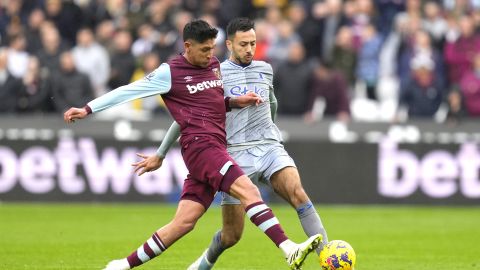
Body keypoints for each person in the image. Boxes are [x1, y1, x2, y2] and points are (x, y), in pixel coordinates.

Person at [63, 20, 321, 270]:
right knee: (249, 192)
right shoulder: (169, 72)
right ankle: (289, 248)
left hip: (214, 148)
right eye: (205, 49)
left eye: (213, 48)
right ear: (188, 46)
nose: (211, 55)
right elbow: (128, 91)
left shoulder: (214, 67)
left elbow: (208, 105)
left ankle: (121, 265)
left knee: (183, 223)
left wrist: (234, 102)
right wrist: (88, 109)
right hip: (202, 147)